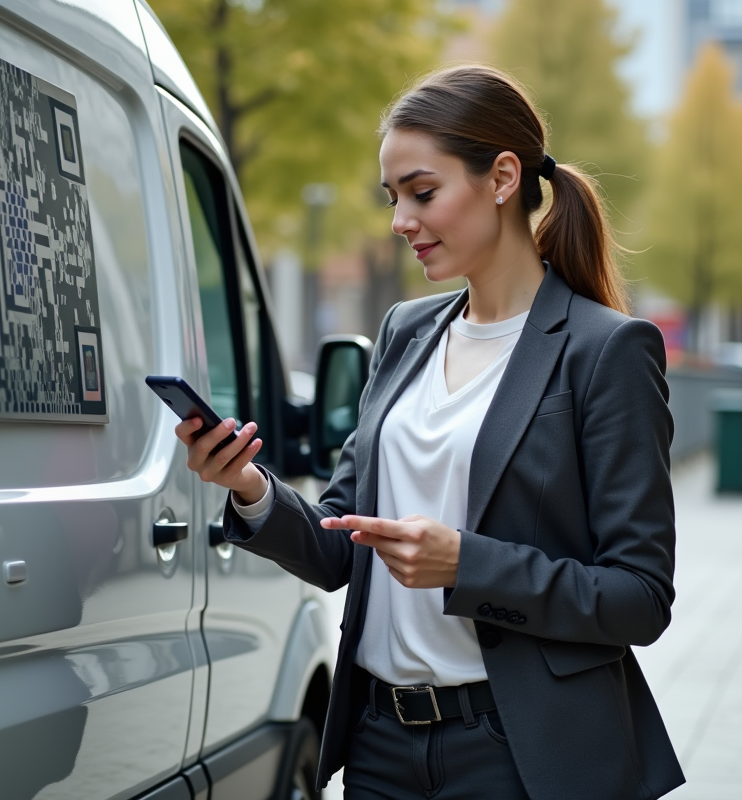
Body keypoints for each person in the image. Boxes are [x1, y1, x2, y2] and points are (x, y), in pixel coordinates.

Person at [175, 65, 683, 799]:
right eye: (393, 198)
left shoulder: (606, 350)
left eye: (422, 192)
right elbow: (336, 544)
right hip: (380, 746)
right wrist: (248, 487)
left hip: (518, 754)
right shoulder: (404, 331)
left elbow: (639, 596)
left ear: (502, 177)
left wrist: (466, 566)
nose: (399, 221)